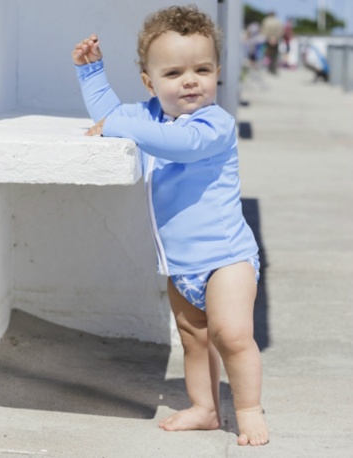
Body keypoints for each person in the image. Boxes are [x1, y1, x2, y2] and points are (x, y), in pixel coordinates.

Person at [71, 5, 268, 447]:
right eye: (174, 73)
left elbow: (180, 145)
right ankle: (204, 408)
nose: (191, 81)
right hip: (180, 264)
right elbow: (114, 116)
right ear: (150, 83)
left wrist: (117, 123)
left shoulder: (214, 123)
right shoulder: (151, 118)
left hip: (226, 258)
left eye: (202, 69)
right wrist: (91, 75)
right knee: (194, 338)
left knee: (232, 335)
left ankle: (250, 409)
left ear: (218, 72)